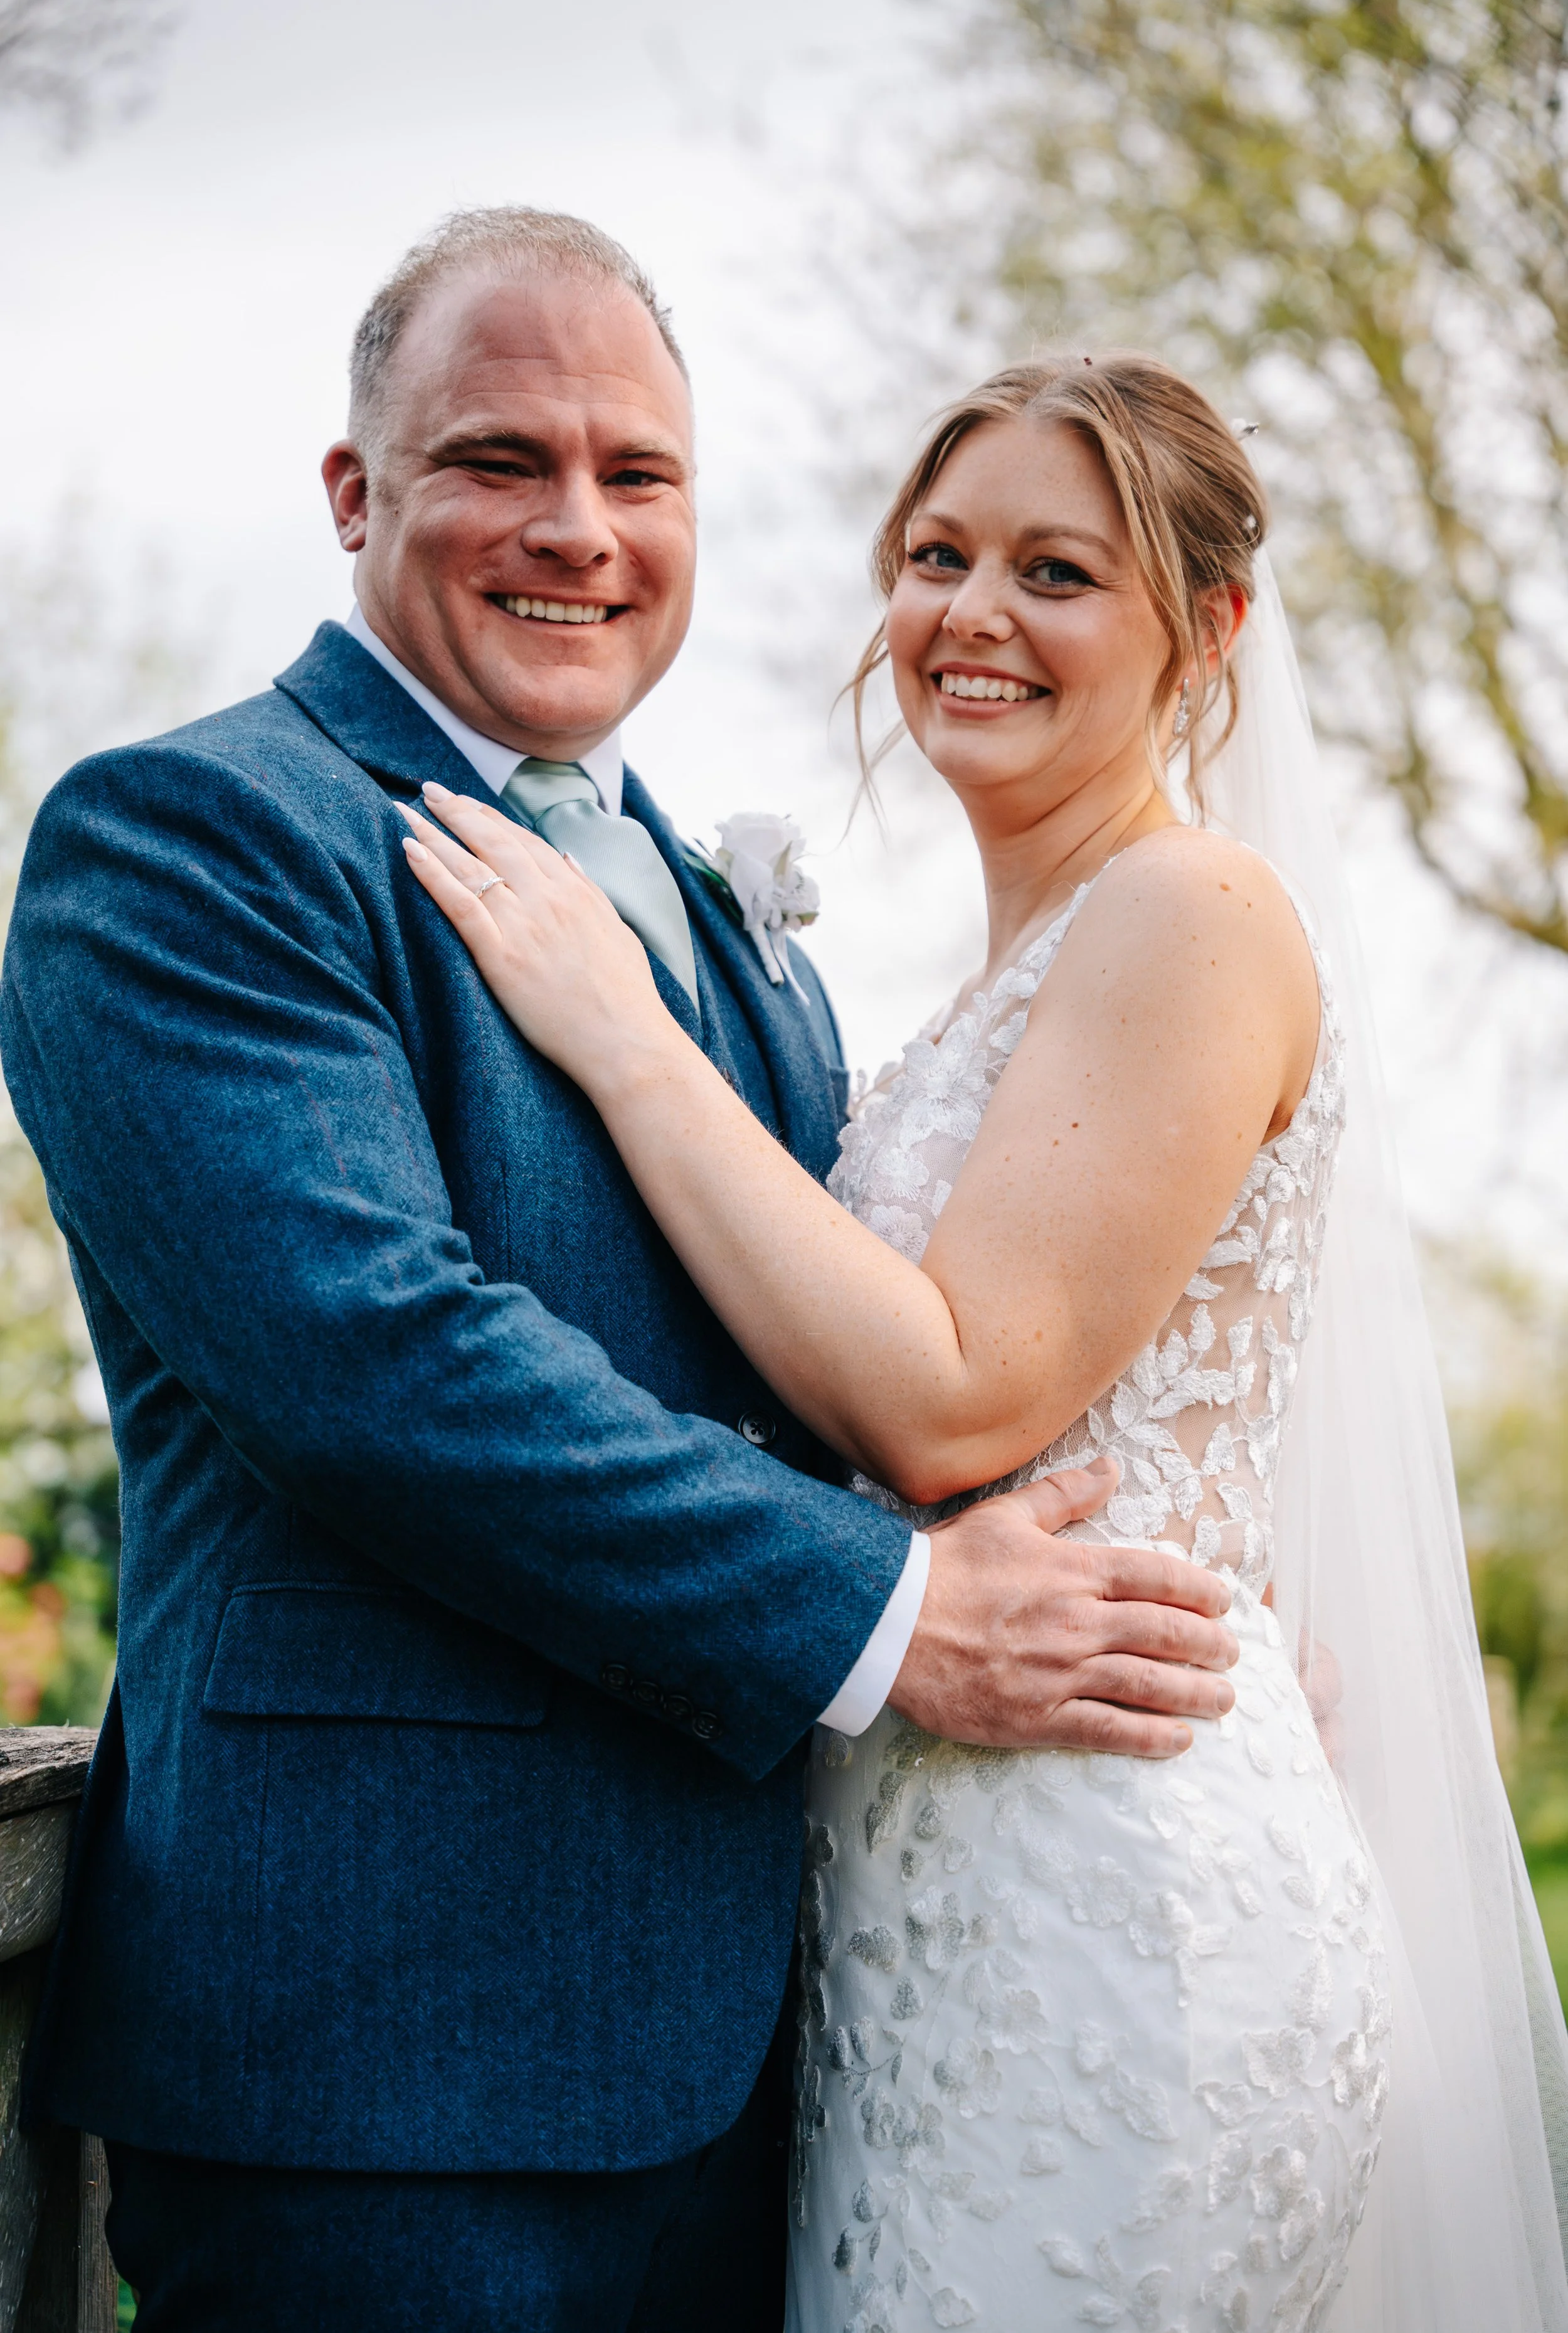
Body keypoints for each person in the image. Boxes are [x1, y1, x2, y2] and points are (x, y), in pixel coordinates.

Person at [0, 215, 1239, 2331]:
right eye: (500, 458)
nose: (578, 530)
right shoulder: (195, 836)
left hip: (780, 2064)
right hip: (384, 2061)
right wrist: (899, 1614)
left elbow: (861, 1366)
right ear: (353, 492)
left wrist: (1217, 1570)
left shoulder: (709, 908)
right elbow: (379, 1360)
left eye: (637, 474)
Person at [402, 353, 1568, 2330]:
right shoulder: (1003, 980)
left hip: (1101, 1914)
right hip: (935, 1898)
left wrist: (616, 1028)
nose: (971, 614)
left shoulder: (1191, 909)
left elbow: (957, 1399)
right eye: (936, 555)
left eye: (1056, 571)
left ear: (1205, 628)